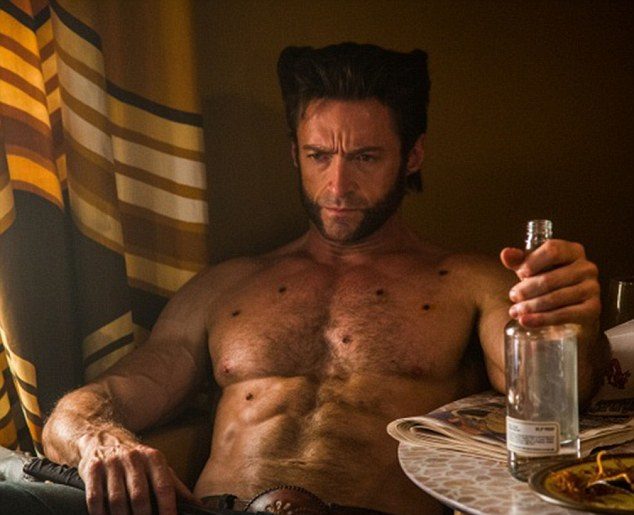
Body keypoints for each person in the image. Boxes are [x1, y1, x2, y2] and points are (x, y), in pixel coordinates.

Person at [2, 43, 605, 515]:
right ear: (295, 153)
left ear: (413, 156)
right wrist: (100, 441)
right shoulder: (226, 287)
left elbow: (557, 399)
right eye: (319, 156)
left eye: (365, 157)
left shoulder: (468, 282)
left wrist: (573, 323)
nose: (338, 186)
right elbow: (87, 407)